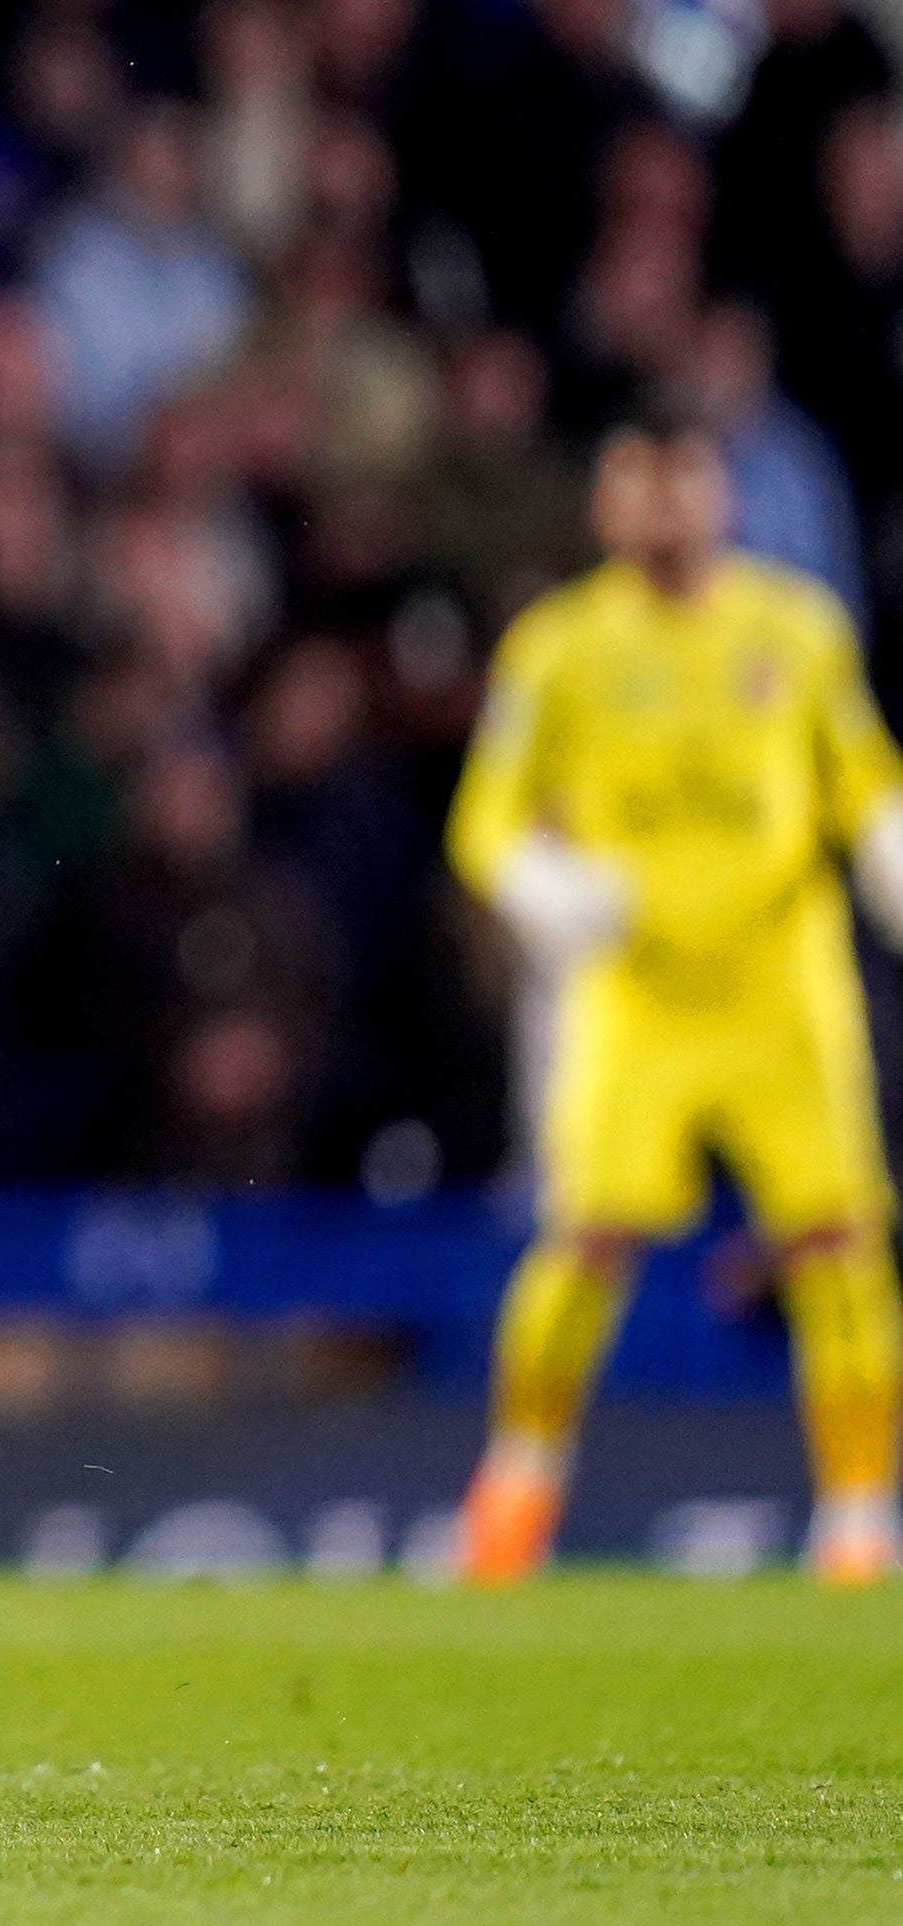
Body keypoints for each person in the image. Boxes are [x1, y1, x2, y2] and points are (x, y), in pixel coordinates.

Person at [447, 422, 903, 1588]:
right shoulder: (558, 648)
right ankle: (515, 1485)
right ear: (605, 499)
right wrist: (544, 885)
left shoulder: (795, 628)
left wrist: (888, 848)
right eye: (635, 477)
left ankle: (857, 1515)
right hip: (634, 992)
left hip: (778, 982)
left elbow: (862, 777)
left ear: (718, 489)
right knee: (583, 1240)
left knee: (835, 1240)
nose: (661, 503)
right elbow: (484, 818)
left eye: (681, 476)